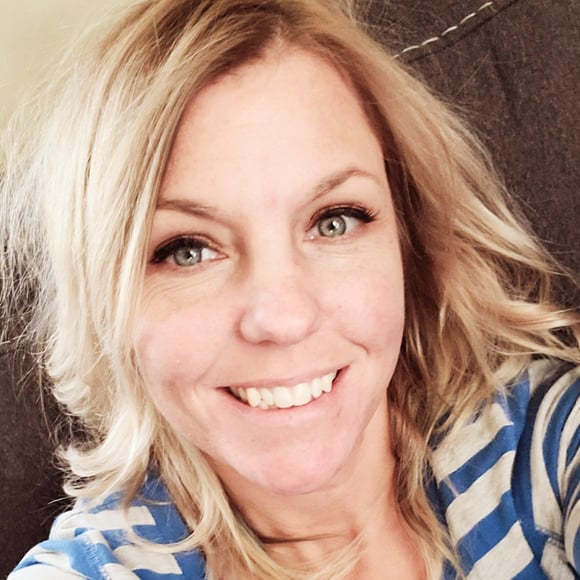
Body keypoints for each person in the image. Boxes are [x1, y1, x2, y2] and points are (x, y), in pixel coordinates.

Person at [2, 0, 578, 578]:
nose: (283, 318)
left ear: (408, 240)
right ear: (106, 306)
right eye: (188, 250)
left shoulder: (548, 448)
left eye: (334, 221)